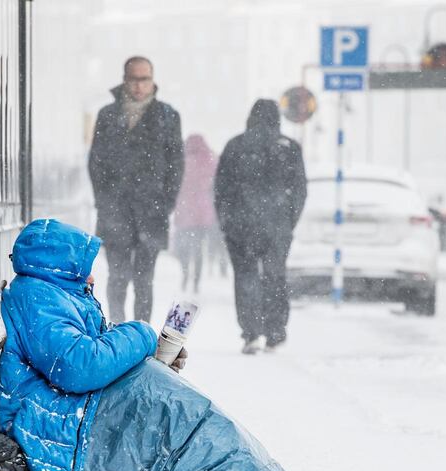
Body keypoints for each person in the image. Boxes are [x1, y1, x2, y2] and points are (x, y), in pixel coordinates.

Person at [0, 219, 290, 471]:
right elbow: (78, 367)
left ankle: (241, 470)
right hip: (61, 422)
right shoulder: (38, 298)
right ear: (58, 267)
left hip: (71, 409)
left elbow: (88, 348)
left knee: (172, 406)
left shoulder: (52, 294)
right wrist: (142, 334)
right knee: (173, 414)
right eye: (83, 269)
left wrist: (150, 357)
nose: (91, 278)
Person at [88, 56, 184, 323]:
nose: (140, 85)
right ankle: (117, 329)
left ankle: (140, 334)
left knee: (144, 281)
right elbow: (96, 163)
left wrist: (166, 204)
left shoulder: (167, 116)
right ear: (125, 80)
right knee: (117, 278)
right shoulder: (108, 116)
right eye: (135, 79)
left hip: (152, 211)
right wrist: (104, 201)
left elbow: (176, 165)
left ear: (153, 80)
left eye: (145, 79)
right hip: (115, 211)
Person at [214, 99, 307, 355]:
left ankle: (251, 333)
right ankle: (275, 332)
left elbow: (221, 189)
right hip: (277, 227)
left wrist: (226, 221)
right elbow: (299, 191)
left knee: (245, 277)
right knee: (275, 276)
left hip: (241, 226)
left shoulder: (235, 146)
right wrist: (288, 222)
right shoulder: (289, 148)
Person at [172, 134, 218, 293]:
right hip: (203, 215)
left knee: (183, 248)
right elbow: (215, 184)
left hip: (184, 212)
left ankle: (185, 273)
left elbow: (174, 183)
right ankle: (196, 281)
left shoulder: (181, 161)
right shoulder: (210, 160)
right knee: (198, 249)